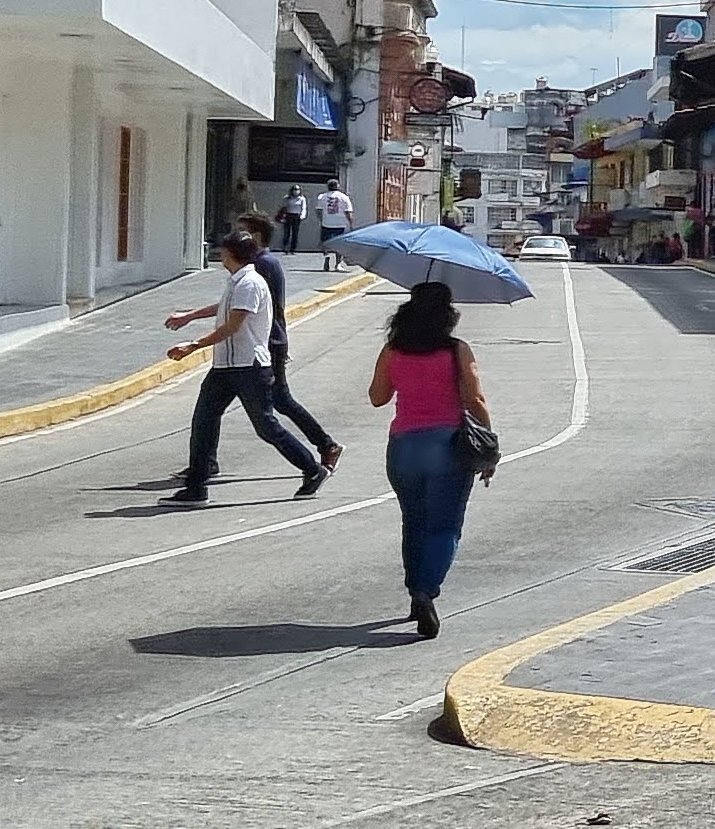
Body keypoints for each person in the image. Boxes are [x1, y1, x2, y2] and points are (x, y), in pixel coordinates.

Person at [365, 280, 492, 639]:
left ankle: (413, 592)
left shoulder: (394, 349)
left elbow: (377, 397)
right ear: (448, 315)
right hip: (448, 447)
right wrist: (489, 448)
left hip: (403, 447)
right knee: (444, 526)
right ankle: (426, 591)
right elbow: (475, 401)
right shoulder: (457, 352)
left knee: (414, 522)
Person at [175, 215, 343, 484]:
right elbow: (228, 308)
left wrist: (194, 345)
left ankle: (319, 456)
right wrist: (190, 316)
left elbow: (240, 318)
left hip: (257, 353)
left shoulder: (257, 271)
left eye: (242, 233)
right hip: (231, 362)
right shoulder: (239, 277)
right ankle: (199, 477)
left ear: (254, 237)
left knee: (272, 415)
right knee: (207, 416)